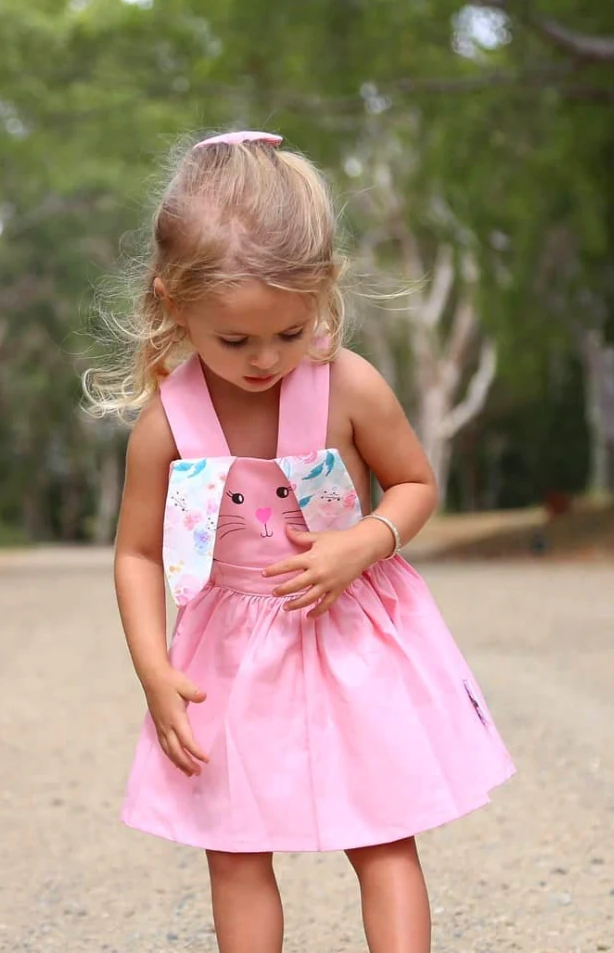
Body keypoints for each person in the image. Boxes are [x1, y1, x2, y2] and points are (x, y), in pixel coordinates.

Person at [87, 130, 514, 953]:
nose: (265, 359)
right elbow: (135, 552)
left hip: (353, 637)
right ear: (175, 303)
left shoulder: (345, 384)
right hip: (229, 656)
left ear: (320, 294)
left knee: (383, 830)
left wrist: (366, 540)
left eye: (288, 332)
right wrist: (152, 666)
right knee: (236, 845)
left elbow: (416, 485)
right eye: (235, 340)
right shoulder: (168, 423)